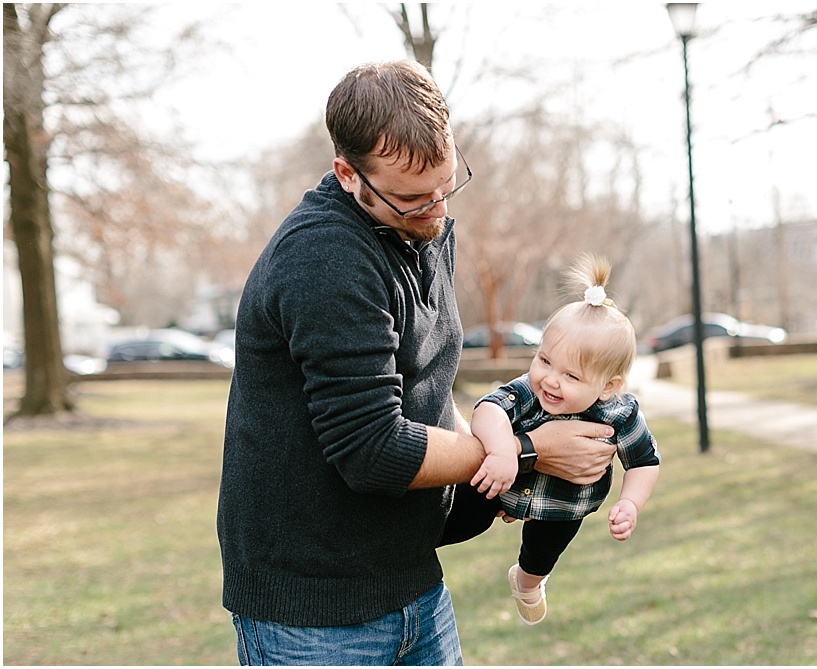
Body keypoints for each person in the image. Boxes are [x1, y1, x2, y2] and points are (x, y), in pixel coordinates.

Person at [216, 60, 617, 666]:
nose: (436, 210)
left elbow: (425, 386)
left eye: (447, 186)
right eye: (411, 199)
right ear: (347, 175)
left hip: (412, 581)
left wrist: (495, 482)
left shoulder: (420, 226)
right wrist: (530, 451)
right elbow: (371, 447)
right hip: (312, 611)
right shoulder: (325, 261)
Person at [439, 255, 660, 625]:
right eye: (544, 360)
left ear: (609, 386)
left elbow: (644, 462)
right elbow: (488, 410)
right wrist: (503, 450)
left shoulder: (622, 414)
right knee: (462, 520)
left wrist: (631, 503)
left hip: (563, 506)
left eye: (571, 376)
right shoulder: (530, 389)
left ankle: (527, 584)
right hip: (499, 484)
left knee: (541, 555)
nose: (551, 380)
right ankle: (406, 548)